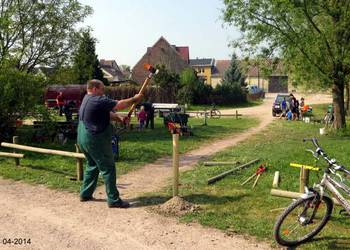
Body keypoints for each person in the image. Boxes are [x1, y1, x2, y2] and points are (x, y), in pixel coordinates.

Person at [78, 79, 143, 208]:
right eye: (102, 89)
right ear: (95, 89)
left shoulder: (87, 99)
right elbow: (119, 105)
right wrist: (134, 99)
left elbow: (107, 113)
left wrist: (119, 118)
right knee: (108, 168)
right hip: (95, 140)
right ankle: (113, 200)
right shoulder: (97, 99)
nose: (103, 92)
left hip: (83, 138)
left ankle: (85, 194)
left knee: (92, 165)